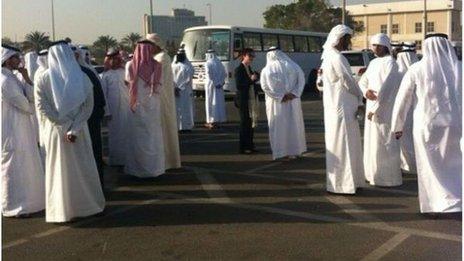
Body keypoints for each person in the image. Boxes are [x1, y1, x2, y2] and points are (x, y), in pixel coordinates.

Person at [35, 41, 105, 222]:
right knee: (71, 168)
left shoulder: (46, 78)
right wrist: (73, 128)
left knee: (68, 168)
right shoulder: (81, 77)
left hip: (60, 131)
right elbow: (87, 107)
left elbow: (42, 107)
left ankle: (72, 208)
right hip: (76, 132)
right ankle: (75, 208)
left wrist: (67, 126)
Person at [392, 33, 462, 213]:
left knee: (429, 167)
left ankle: (435, 204)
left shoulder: (417, 69)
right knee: (454, 164)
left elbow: (403, 99)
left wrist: (397, 126)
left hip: (427, 126)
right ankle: (456, 201)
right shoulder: (459, 68)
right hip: (455, 126)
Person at [320, 25, 365, 194]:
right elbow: (348, 81)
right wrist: (360, 96)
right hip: (342, 107)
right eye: (347, 39)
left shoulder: (330, 57)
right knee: (344, 143)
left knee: (343, 143)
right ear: (340, 39)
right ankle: (343, 184)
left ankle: (346, 182)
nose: (349, 42)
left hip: (337, 107)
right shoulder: (337, 58)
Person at [1, 44, 45, 217]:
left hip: (20, 129)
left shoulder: (12, 77)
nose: (19, 60)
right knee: (12, 167)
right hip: (11, 130)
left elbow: (31, 97)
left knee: (22, 165)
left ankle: (25, 203)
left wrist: (27, 79)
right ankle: (12, 206)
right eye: (15, 58)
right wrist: (32, 104)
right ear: (7, 60)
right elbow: (26, 105)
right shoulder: (4, 80)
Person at [359, 34, 402, 187]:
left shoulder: (391, 63)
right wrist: (366, 92)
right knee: (372, 142)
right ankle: (372, 175)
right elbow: (363, 81)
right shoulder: (373, 63)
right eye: (373, 45)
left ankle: (388, 178)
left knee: (385, 142)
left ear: (385, 46)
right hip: (371, 106)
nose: (374, 48)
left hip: (385, 109)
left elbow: (387, 89)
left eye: (377, 45)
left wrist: (376, 108)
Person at [124, 40, 165, 177]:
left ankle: (139, 169)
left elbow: (127, 83)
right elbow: (160, 85)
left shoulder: (131, 65)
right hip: (152, 104)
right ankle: (154, 169)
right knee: (151, 136)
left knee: (139, 137)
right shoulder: (157, 66)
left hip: (137, 105)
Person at [260, 47, 307, 160]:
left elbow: (264, 87)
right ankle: (296, 150)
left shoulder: (266, 69)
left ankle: (281, 153)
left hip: (277, 104)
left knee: (278, 127)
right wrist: (294, 94)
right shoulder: (294, 66)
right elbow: (301, 80)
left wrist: (281, 96)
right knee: (294, 125)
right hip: (293, 102)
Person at [146, 33, 181, 170]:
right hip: (160, 97)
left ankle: (166, 161)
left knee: (163, 129)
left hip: (162, 99)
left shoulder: (161, 58)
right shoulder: (159, 57)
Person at [75, 45, 106, 188]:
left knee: (92, 151)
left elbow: (98, 97)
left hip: (90, 120)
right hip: (76, 123)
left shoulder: (86, 72)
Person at [101, 49, 129, 166]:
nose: (113, 62)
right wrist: (106, 112)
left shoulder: (125, 72)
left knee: (127, 135)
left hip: (126, 109)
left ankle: (127, 160)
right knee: (115, 137)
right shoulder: (105, 76)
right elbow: (104, 95)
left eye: (115, 59)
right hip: (112, 110)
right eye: (111, 59)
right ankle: (116, 161)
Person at [396, 42, 419, 174]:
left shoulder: (400, 71)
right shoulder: (419, 68)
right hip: (416, 111)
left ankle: (407, 165)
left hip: (405, 111)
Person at [235, 48, 260, 154]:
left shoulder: (248, 68)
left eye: (253, 57)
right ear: (244, 56)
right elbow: (239, 85)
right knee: (244, 123)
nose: (251, 59)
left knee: (250, 123)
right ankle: (243, 147)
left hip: (250, 99)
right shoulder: (239, 69)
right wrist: (251, 80)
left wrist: (255, 78)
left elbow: (251, 82)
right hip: (243, 100)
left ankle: (250, 145)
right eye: (250, 56)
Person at [172, 49, 195, 132]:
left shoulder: (173, 66)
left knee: (178, 109)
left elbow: (171, 79)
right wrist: (181, 87)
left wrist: (175, 88)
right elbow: (188, 80)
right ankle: (185, 127)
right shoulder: (187, 67)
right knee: (185, 108)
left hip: (175, 91)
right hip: (185, 91)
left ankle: (178, 127)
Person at [204, 49, 227, 129]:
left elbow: (209, 75)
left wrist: (215, 83)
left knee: (210, 102)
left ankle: (211, 121)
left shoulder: (208, 63)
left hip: (211, 86)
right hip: (219, 86)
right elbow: (225, 74)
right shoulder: (219, 63)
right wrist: (220, 83)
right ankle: (217, 120)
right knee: (218, 103)